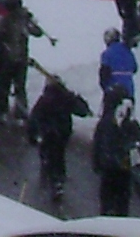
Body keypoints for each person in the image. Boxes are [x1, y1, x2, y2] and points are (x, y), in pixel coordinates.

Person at [28, 73, 88, 209]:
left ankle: (49, 173)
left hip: (48, 133)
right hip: (63, 133)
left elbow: (34, 118)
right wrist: (76, 98)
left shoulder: (44, 100)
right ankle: (58, 180)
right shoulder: (66, 98)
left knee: (48, 153)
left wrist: (32, 134)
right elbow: (83, 111)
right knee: (59, 156)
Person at [98, 27, 138, 116]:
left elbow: (104, 73)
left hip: (113, 89)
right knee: (128, 117)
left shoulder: (107, 53)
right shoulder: (128, 51)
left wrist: (104, 86)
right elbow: (135, 68)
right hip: (129, 89)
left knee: (108, 117)